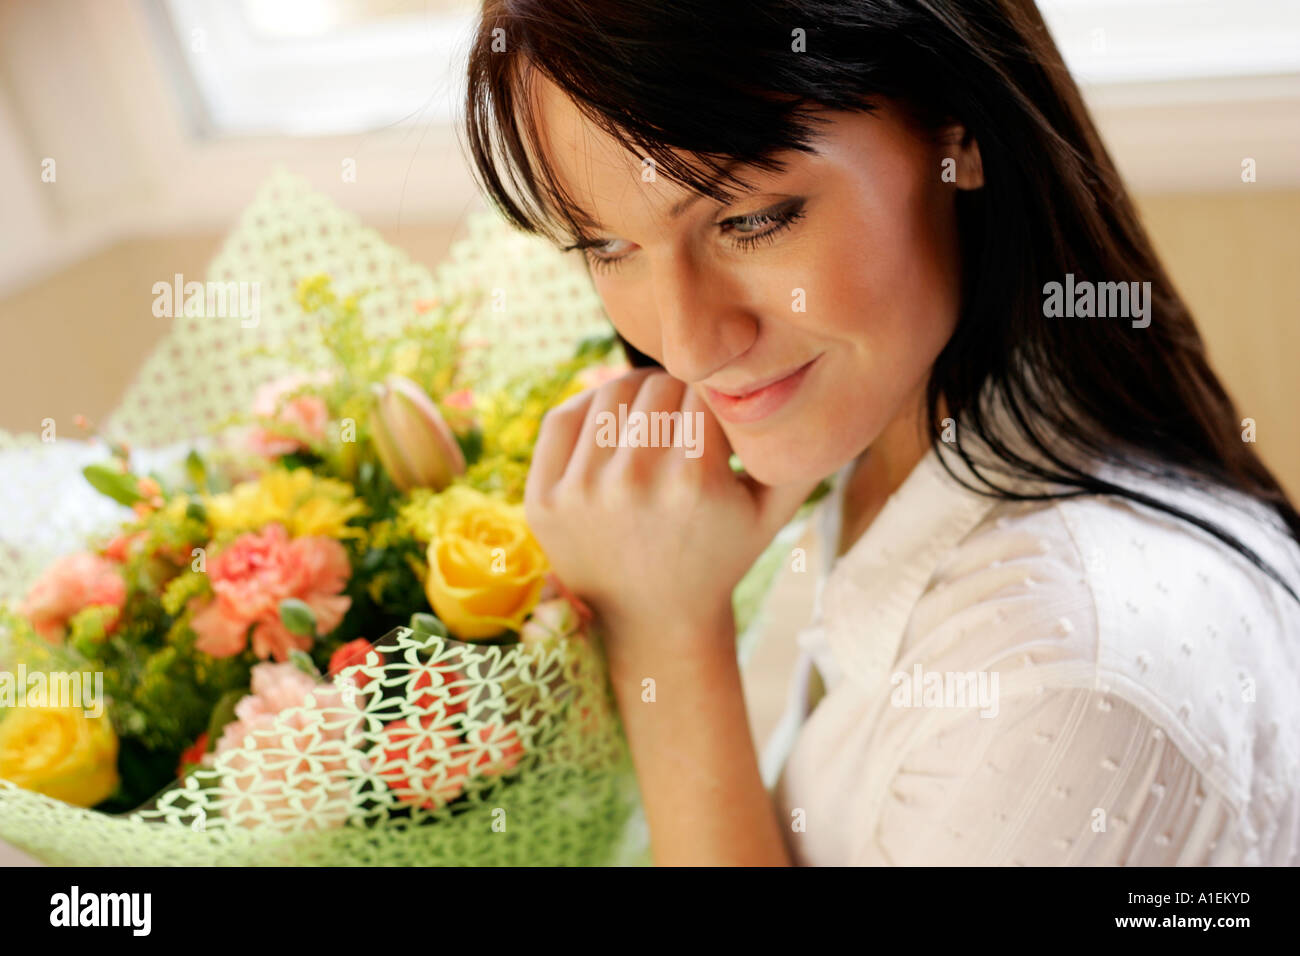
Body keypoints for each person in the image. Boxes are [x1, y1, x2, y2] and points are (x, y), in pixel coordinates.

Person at [462, 0, 1300, 865]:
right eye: (605, 246)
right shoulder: (881, 459)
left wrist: (667, 640)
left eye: (753, 219)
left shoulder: (1053, 689)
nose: (684, 346)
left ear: (957, 130)